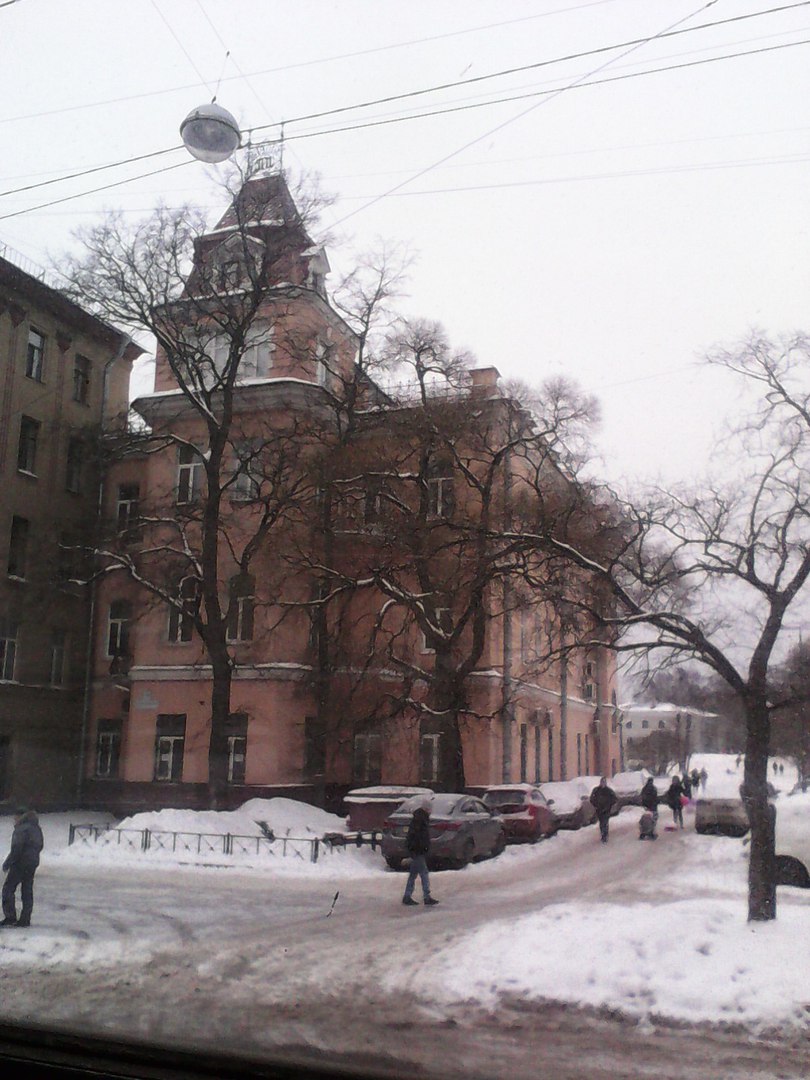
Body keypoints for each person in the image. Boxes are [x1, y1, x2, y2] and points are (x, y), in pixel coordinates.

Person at [1, 807, 44, 928]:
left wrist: (8, 862)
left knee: (8, 888)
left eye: (15, 816)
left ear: (21, 816)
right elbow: (40, 845)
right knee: (27, 890)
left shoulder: (21, 829)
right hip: (32, 862)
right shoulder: (36, 828)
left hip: (20, 862)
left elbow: (17, 848)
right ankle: (25, 919)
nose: (14, 819)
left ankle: (10, 917)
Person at [402, 798, 438, 907]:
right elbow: (419, 837)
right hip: (418, 851)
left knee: (413, 874)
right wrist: (422, 848)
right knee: (424, 873)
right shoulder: (421, 819)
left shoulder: (419, 818)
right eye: (430, 809)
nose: (431, 811)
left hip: (416, 850)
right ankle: (427, 897)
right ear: (427, 809)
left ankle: (407, 896)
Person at [589, 777, 617, 843]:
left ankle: (605, 835)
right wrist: (595, 805)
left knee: (605, 822)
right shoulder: (596, 790)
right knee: (601, 823)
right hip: (599, 809)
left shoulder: (609, 791)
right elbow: (591, 799)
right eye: (602, 782)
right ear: (600, 783)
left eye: (604, 782)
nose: (603, 783)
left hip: (606, 810)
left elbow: (614, 799)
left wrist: (609, 805)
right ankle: (603, 834)